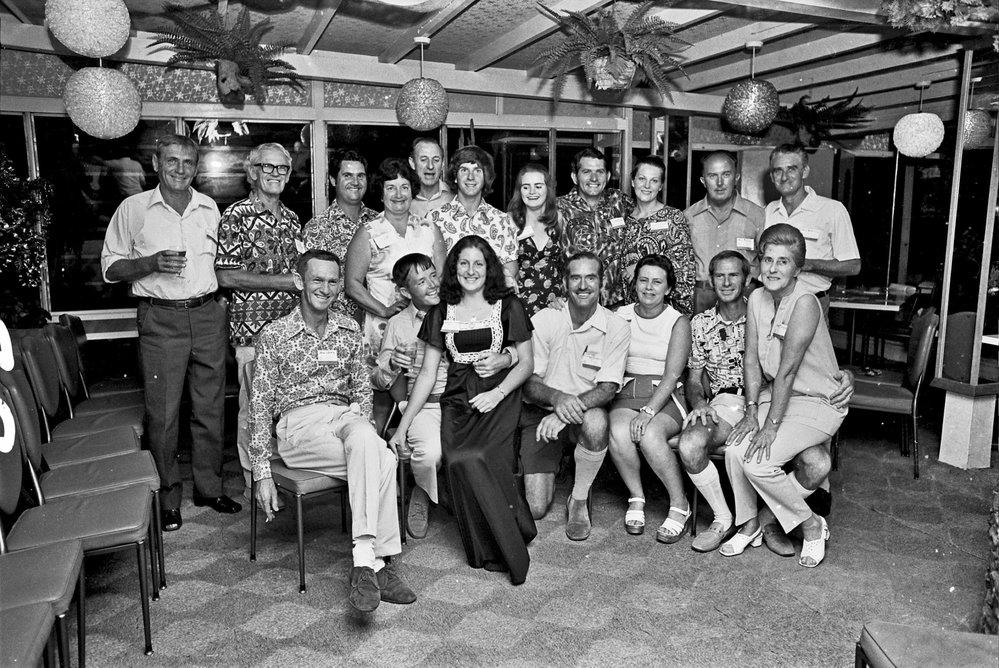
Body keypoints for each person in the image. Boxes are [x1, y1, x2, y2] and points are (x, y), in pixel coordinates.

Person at [249, 249, 415, 613]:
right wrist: (261, 473)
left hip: (345, 418)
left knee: (370, 445)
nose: (325, 288)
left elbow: (361, 391)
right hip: (299, 425)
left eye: (332, 281)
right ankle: (379, 564)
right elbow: (259, 407)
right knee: (383, 459)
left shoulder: (348, 329)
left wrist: (366, 429)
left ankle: (365, 561)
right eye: (317, 280)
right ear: (299, 282)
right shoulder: (275, 335)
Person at [101, 134, 239, 532]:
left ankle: (209, 489)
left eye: (189, 162)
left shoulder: (209, 207)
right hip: (160, 319)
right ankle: (169, 497)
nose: (181, 169)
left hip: (207, 314)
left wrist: (221, 303)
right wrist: (149, 263)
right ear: (156, 163)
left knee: (211, 408)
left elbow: (222, 265)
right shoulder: (135, 208)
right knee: (163, 414)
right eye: (173, 161)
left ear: (197, 167)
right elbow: (110, 268)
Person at [677, 250, 853, 553]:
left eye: (734, 275)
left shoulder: (766, 308)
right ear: (710, 280)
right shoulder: (700, 323)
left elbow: (807, 359)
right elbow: (694, 380)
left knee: (818, 463)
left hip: (776, 400)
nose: (726, 282)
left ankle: (767, 520)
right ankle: (725, 519)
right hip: (726, 401)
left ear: (747, 279)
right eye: (719, 275)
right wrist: (699, 404)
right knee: (691, 444)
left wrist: (846, 375)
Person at [390, 236, 536, 584]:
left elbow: (527, 364)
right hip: (458, 401)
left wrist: (498, 393)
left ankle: (508, 543)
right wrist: (401, 427)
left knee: (482, 456)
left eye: (479, 264)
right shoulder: (442, 311)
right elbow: (426, 373)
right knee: (458, 461)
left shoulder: (508, 306)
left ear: (490, 269)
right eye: (464, 263)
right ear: (454, 268)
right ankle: (492, 540)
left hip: (499, 397)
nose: (471, 271)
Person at [720, 224, 848, 569]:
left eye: (784, 262)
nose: (773, 269)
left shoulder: (806, 303)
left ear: (798, 268)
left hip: (816, 402)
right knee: (735, 449)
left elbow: (789, 370)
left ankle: (810, 525)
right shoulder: (758, 298)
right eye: (767, 260)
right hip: (773, 395)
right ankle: (750, 524)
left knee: (758, 463)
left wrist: (770, 426)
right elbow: (750, 357)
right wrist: (750, 411)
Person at [521, 252, 630, 541]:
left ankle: (578, 499)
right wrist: (557, 401)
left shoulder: (616, 326)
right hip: (541, 413)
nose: (583, 285)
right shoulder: (545, 319)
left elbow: (607, 389)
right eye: (576, 277)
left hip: (581, 412)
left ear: (601, 282)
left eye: (590, 277)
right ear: (565, 282)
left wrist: (563, 411)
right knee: (535, 508)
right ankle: (555, 462)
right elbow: (529, 383)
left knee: (597, 423)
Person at [216, 142, 302, 500]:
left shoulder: (293, 219)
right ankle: (255, 483)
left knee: (287, 407)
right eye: (268, 167)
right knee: (254, 409)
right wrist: (283, 282)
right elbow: (226, 277)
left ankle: (281, 477)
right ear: (252, 172)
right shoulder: (234, 216)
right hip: (253, 333)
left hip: (291, 332)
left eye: (282, 169)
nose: (275, 174)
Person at [344, 158, 447, 429]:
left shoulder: (429, 229)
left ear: (412, 190)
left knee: (422, 386)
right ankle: (381, 454)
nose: (398, 195)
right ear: (381, 192)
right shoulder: (368, 232)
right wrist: (384, 310)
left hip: (424, 324)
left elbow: (442, 276)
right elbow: (352, 283)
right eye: (391, 188)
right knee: (380, 397)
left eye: (404, 187)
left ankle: (412, 448)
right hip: (379, 326)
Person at [608, 254, 692, 542]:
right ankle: (636, 496)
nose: (649, 287)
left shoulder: (678, 321)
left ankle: (680, 503)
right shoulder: (621, 315)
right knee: (618, 430)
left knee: (650, 435)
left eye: (657, 282)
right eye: (643, 280)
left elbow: (672, 376)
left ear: (668, 288)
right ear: (635, 284)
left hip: (665, 394)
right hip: (627, 390)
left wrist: (648, 411)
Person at [371, 253, 446, 539]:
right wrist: (392, 364)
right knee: (429, 454)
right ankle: (422, 491)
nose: (431, 285)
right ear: (404, 291)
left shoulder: (457, 311)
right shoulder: (398, 324)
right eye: (420, 281)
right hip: (422, 407)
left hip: (461, 403)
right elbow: (378, 380)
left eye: (432, 276)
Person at [764, 144, 861, 315]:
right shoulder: (767, 212)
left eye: (792, 169)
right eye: (778, 171)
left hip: (812, 304)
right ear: (772, 176)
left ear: (805, 171)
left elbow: (853, 266)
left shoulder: (832, 210)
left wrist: (807, 264)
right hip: (770, 304)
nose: (784, 177)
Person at [684, 151, 765, 315]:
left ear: (736, 177)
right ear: (703, 181)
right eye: (712, 176)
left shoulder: (758, 215)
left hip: (746, 296)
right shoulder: (688, 217)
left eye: (726, 174)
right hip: (702, 297)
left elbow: (767, 260)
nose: (720, 183)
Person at [428, 145, 520, 287]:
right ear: (455, 177)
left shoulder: (502, 221)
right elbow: (429, 272)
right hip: (447, 302)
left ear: (486, 177)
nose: (471, 177)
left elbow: (510, 271)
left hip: (490, 302)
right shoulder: (434, 218)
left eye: (477, 171)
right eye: (464, 170)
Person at [303, 149, 377, 317]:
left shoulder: (379, 222)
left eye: (361, 176)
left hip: (378, 323)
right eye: (347, 175)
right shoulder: (317, 228)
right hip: (337, 327)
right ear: (333, 180)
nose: (355, 181)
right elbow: (311, 286)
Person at [556, 148, 633, 306]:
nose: (594, 178)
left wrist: (636, 262)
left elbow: (641, 230)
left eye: (600, 171)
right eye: (586, 171)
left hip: (617, 301)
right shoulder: (558, 208)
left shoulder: (621, 202)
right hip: (574, 302)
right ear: (574, 177)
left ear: (608, 176)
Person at [621, 155, 694, 314]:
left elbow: (684, 268)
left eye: (654, 181)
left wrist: (640, 267)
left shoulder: (673, 217)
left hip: (662, 310)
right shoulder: (625, 219)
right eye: (641, 179)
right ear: (633, 181)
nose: (646, 185)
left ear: (661, 186)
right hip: (630, 310)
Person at [507, 163, 563, 316]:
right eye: (526, 187)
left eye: (538, 186)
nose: (532, 192)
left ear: (548, 189)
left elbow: (567, 263)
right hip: (520, 304)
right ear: (520, 191)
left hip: (555, 304)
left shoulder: (559, 218)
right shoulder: (509, 221)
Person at [408, 137, 451, 220]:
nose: (430, 166)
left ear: (442, 164)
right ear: (412, 163)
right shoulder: (402, 199)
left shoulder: (455, 197)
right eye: (424, 160)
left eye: (436, 160)